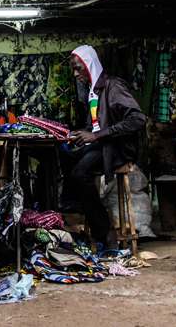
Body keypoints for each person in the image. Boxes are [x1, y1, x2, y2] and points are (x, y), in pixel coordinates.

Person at [63, 45, 146, 252]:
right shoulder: (93, 90)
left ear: (89, 66)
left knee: (80, 172)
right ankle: (74, 216)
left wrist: (97, 135)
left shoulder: (114, 86)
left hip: (117, 147)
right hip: (102, 143)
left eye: (78, 69)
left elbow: (138, 119)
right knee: (64, 157)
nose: (75, 74)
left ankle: (106, 232)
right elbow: (97, 125)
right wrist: (78, 133)